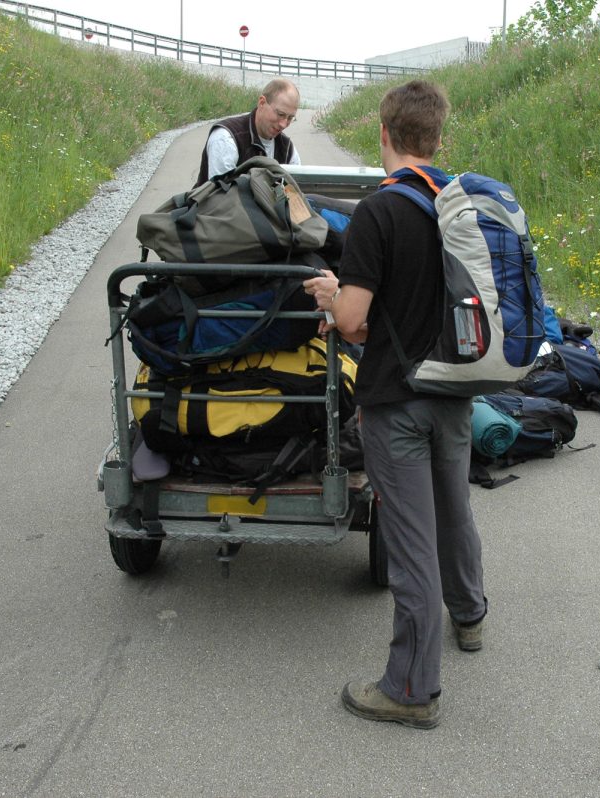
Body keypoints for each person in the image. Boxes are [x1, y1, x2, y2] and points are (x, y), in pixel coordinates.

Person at [302, 80, 487, 730]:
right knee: (454, 509)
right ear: (436, 136)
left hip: (397, 403)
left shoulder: (379, 212)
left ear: (383, 133)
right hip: (454, 390)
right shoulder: (457, 204)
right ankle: (470, 616)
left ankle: (411, 689)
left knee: (410, 544)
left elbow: (354, 323)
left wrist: (332, 295)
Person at [194, 78, 302, 186]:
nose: (283, 124)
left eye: (290, 118)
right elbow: (222, 193)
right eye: (280, 114)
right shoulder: (226, 138)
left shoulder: (287, 149)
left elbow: (298, 189)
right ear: (262, 103)